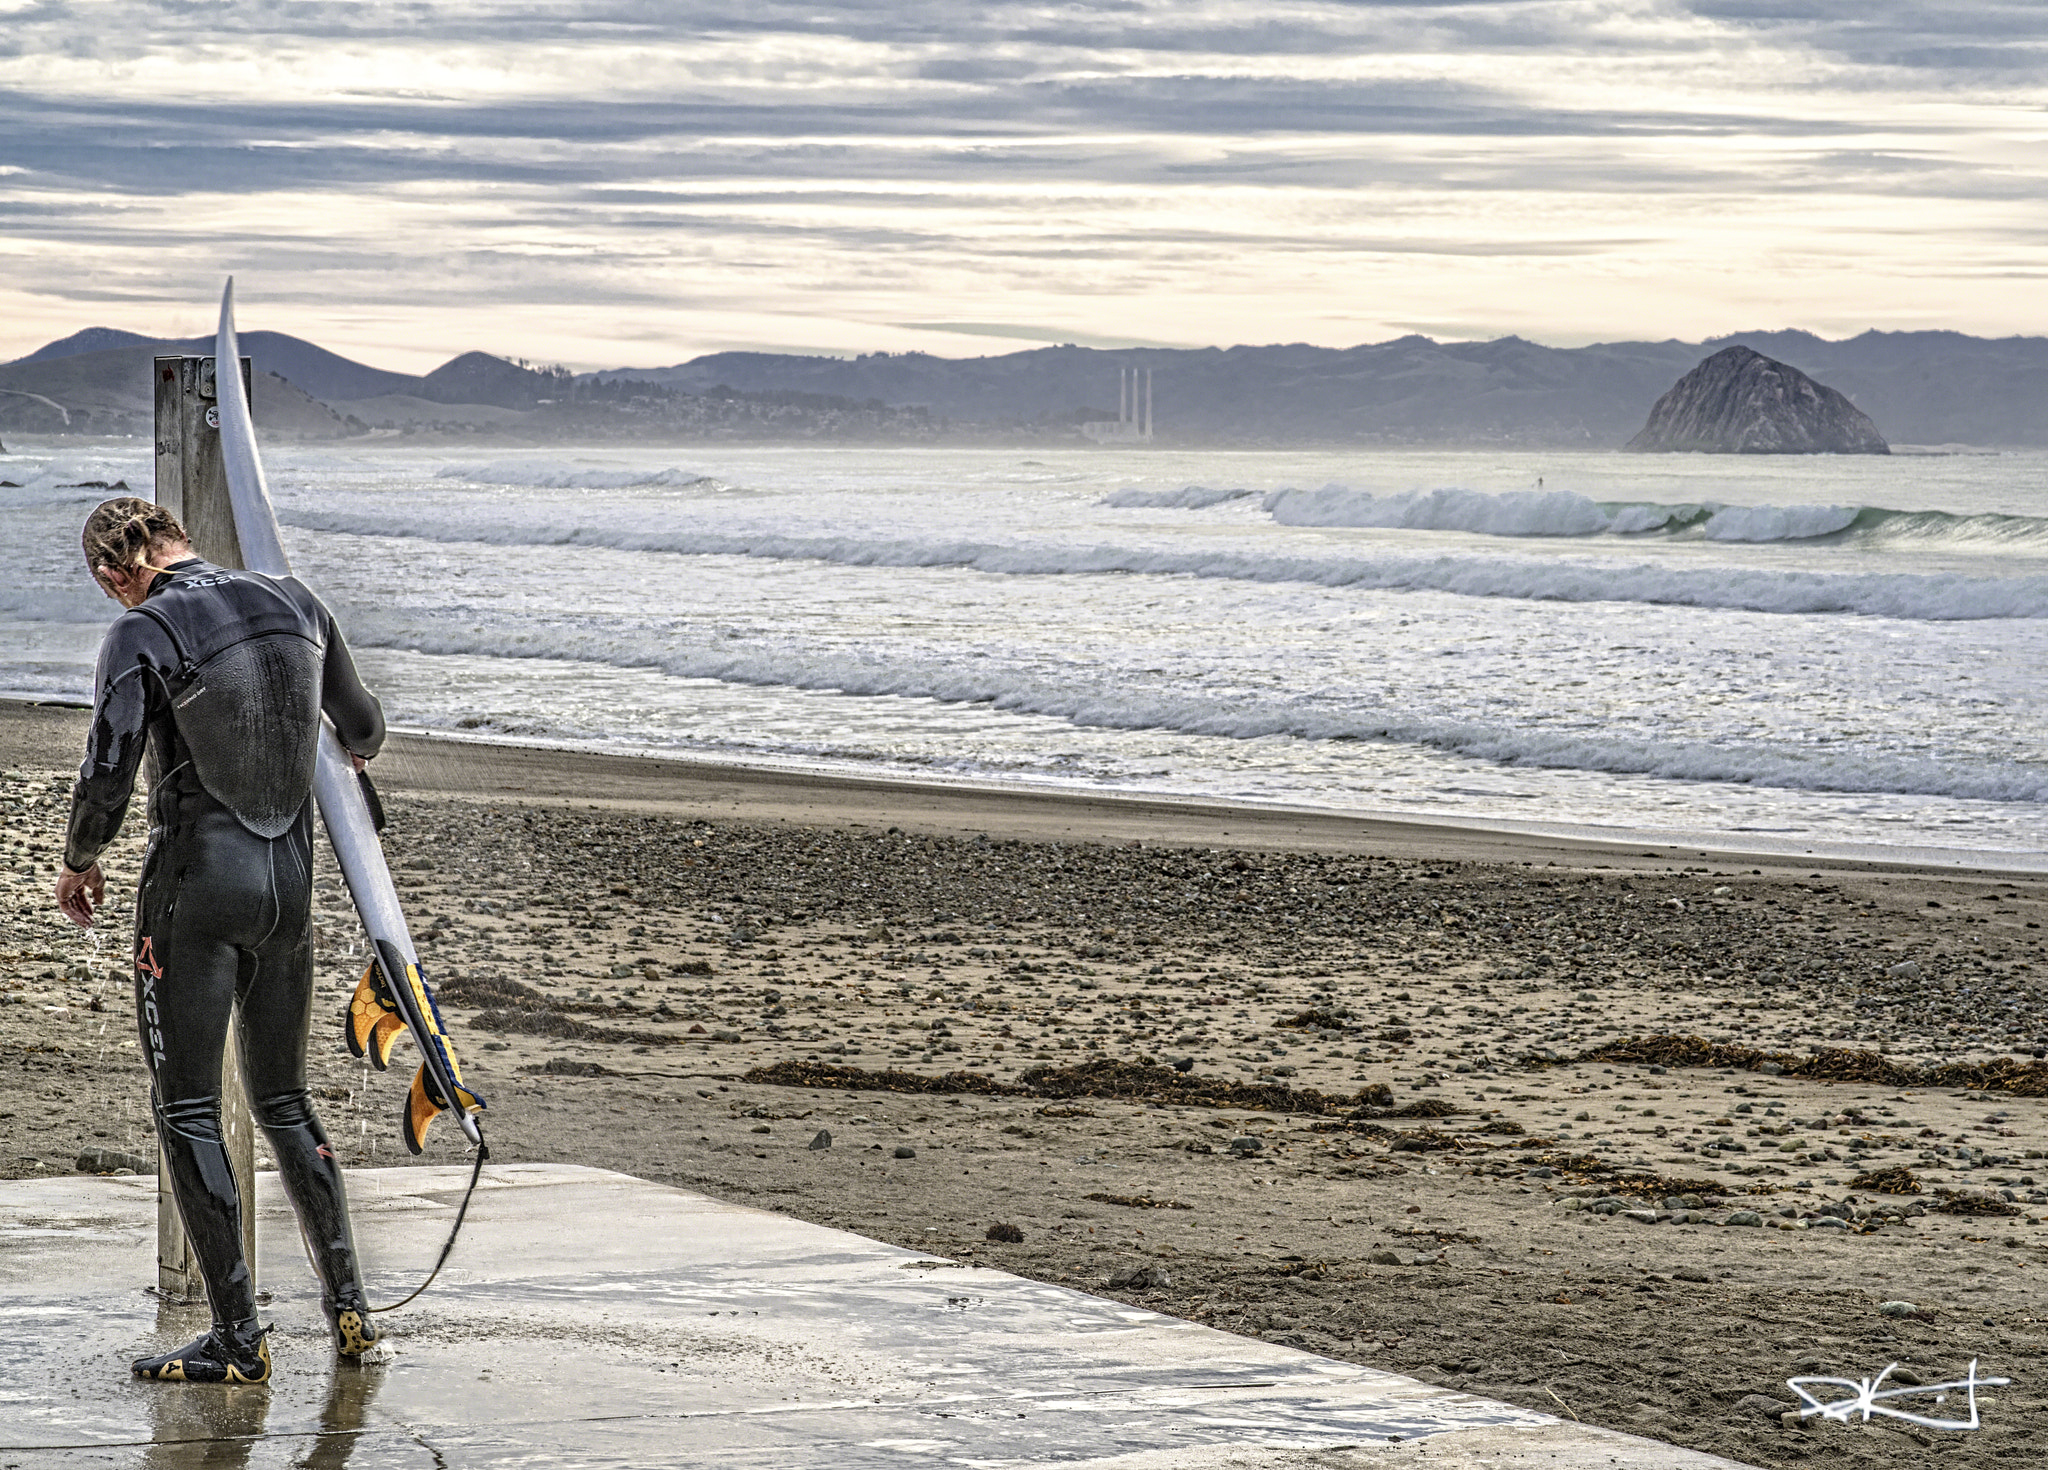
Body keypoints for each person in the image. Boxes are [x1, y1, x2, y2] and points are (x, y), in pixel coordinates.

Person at [57, 498, 387, 1384]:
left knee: (189, 1108)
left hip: (196, 892)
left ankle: (240, 1340)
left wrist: (79, 861)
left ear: (111, 572)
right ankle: (352, 1313)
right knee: (285, 1100)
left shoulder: (143, 630)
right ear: (177, 538)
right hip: (292, 893)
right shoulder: (298, 600)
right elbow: (364, 730)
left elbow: (109, 765)